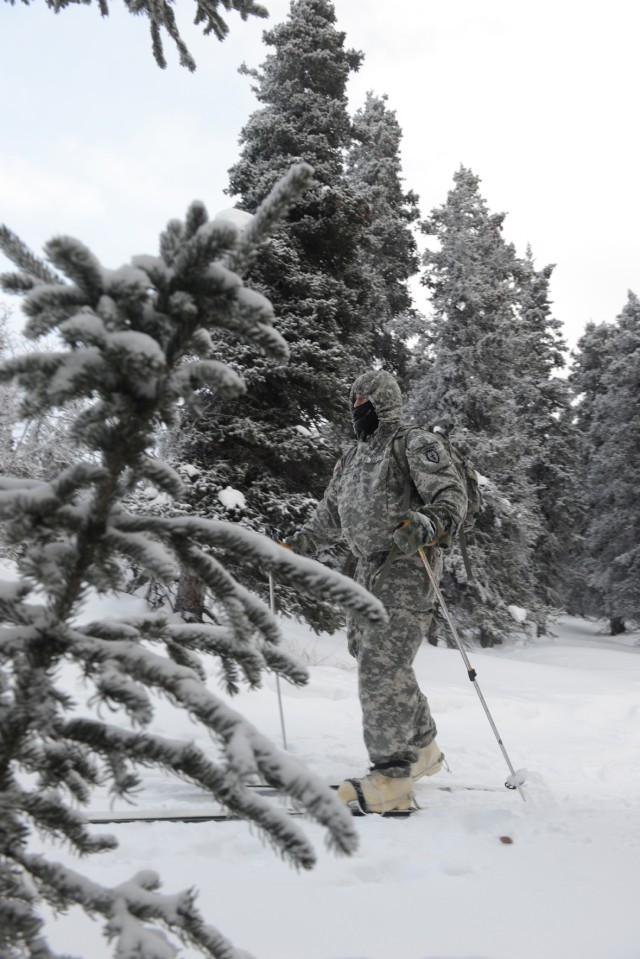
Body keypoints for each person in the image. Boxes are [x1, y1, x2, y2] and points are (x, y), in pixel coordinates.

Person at [286, 369, 468, 814]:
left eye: (362, 400)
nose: (356, 408)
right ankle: (422, 748)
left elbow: (451, 495)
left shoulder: (414, 443)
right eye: (352, 401)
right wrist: (298, 545)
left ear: (381, 402)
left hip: (408, 563)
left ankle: (391, 778)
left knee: (381, 663)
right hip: (368, 568)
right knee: (375, 656)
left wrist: (424, 524)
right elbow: (331, 511)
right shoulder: (353, 456)